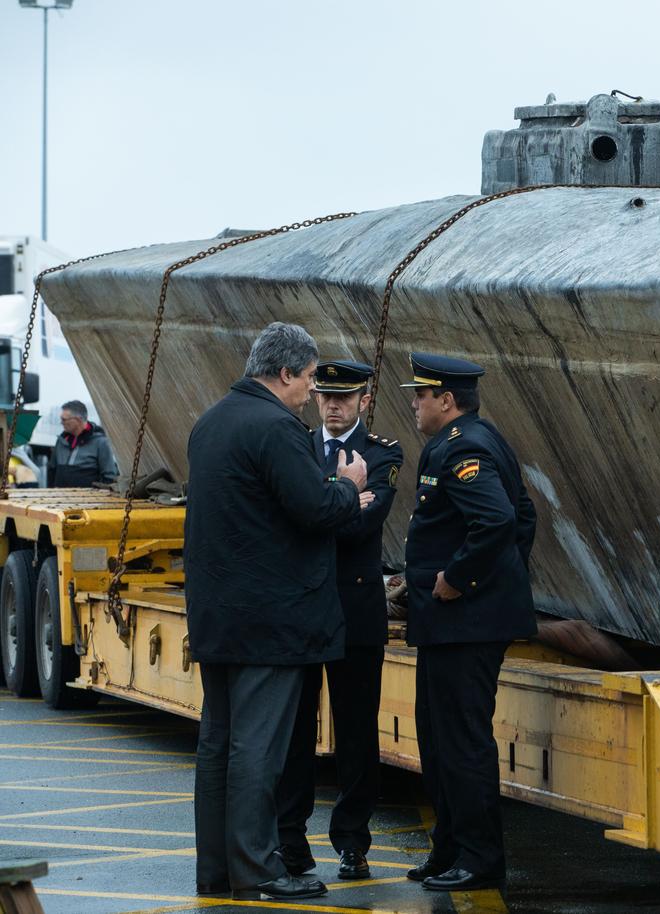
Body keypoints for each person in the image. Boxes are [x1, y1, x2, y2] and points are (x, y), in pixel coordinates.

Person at [186, 322, 370, 901]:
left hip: (219, 616)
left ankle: (218, 870)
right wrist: (347, 486)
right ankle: (258, 870)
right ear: (286, 373)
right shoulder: (276, 427)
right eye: (310, 379)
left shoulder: (211, 421)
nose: (312, 393)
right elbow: (314, 507)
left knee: (218, 746)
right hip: (271, 620)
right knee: (256, 752)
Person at [400, 352, 537, 892]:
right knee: (437, 741)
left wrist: (462, 580)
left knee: (461, 743)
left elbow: (500, 519)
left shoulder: (467, 448)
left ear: (447, 401)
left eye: (421, 395)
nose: (413, 403)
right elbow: (524, 517)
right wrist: (503, 577)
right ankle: (449, 849)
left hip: (465, 625)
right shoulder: (470, 440)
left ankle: (479, 860)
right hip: (452, 625)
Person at [277, 359, 403, 881]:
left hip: (355, 611)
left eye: (344, 398)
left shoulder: (384, 453)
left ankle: (353, 841)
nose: (332, 405)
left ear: (364, 401)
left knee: (355, 734)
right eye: (326, 395)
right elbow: (289, 520)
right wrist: (346, 497)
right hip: (305, 610)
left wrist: (321, 506)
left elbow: (360, 527)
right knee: (296, 733)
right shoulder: (298, 445)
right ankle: (291, 841)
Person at [49, 400, 118, 487]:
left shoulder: (101, 442)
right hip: (59, 498)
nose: (61, 422)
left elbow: (109, 477)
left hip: (87, 499)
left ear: (77, 420)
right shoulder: (61, 441)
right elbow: (52, 470)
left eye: (64, 419)